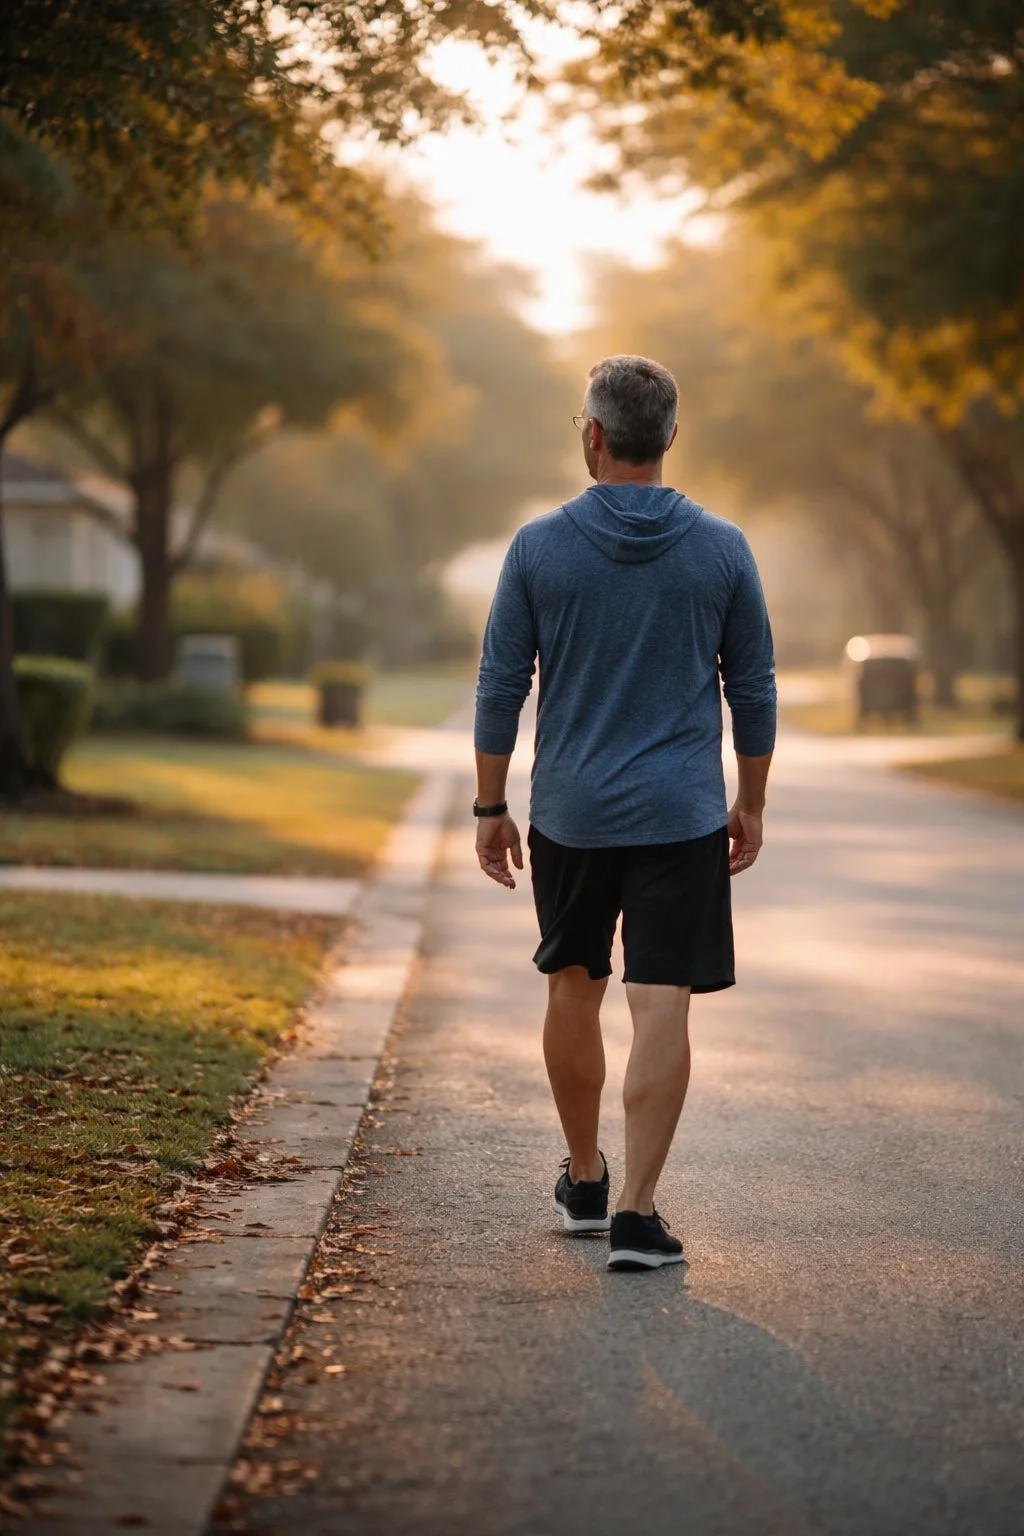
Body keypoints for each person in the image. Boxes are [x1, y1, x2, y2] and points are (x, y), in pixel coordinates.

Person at [473, 354, 776, 1272]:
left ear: (593, 436)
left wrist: (490, 804)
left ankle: (587, 1179)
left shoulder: (538, 547)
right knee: (661, 1002)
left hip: (571, 813)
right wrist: (749, 804)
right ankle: (639, 1216)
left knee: (573, 983)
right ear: (670, 438)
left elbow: (499, 685)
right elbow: (754, 691)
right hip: (681, 814)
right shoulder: (723, 548)